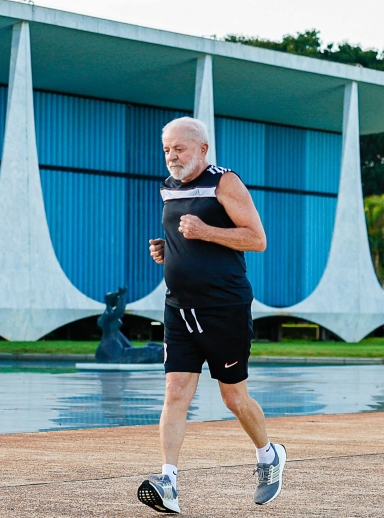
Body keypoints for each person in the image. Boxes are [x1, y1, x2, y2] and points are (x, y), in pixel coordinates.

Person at [136, 117, 286, 514]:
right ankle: (168, 482)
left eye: (179, 148)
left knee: (233, 397)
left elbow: (257, 239)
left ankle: (269, 456)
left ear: (202, 150)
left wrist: (205, 232)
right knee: (175, 394)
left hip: (224, 309)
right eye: (167, 148)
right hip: (178, 308)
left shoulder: (225, 182)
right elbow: (184, 237)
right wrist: (168, 252)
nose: (171, 155)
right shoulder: (168, 188)